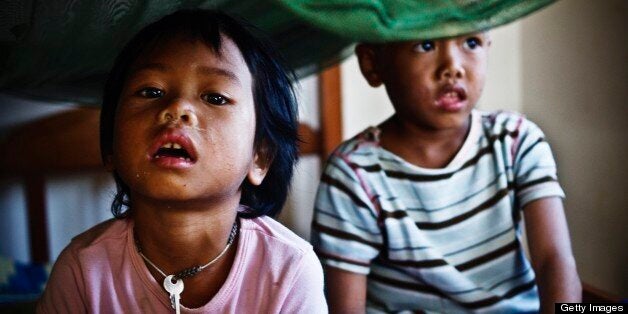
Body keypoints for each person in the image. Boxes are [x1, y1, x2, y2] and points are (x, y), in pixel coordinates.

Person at [38, 10, 326, 313]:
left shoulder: (289, 269)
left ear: (260, 157)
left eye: (215, 97)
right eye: (151, 91)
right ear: (111, 145)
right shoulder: (83, 269)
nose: (177, 108)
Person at [311, 32, 581, 313]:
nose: (452, 67)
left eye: (471, 43)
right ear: (372, 64)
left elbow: (554, 260)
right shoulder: (354, 173)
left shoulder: (515, 140)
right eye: (425, 45)